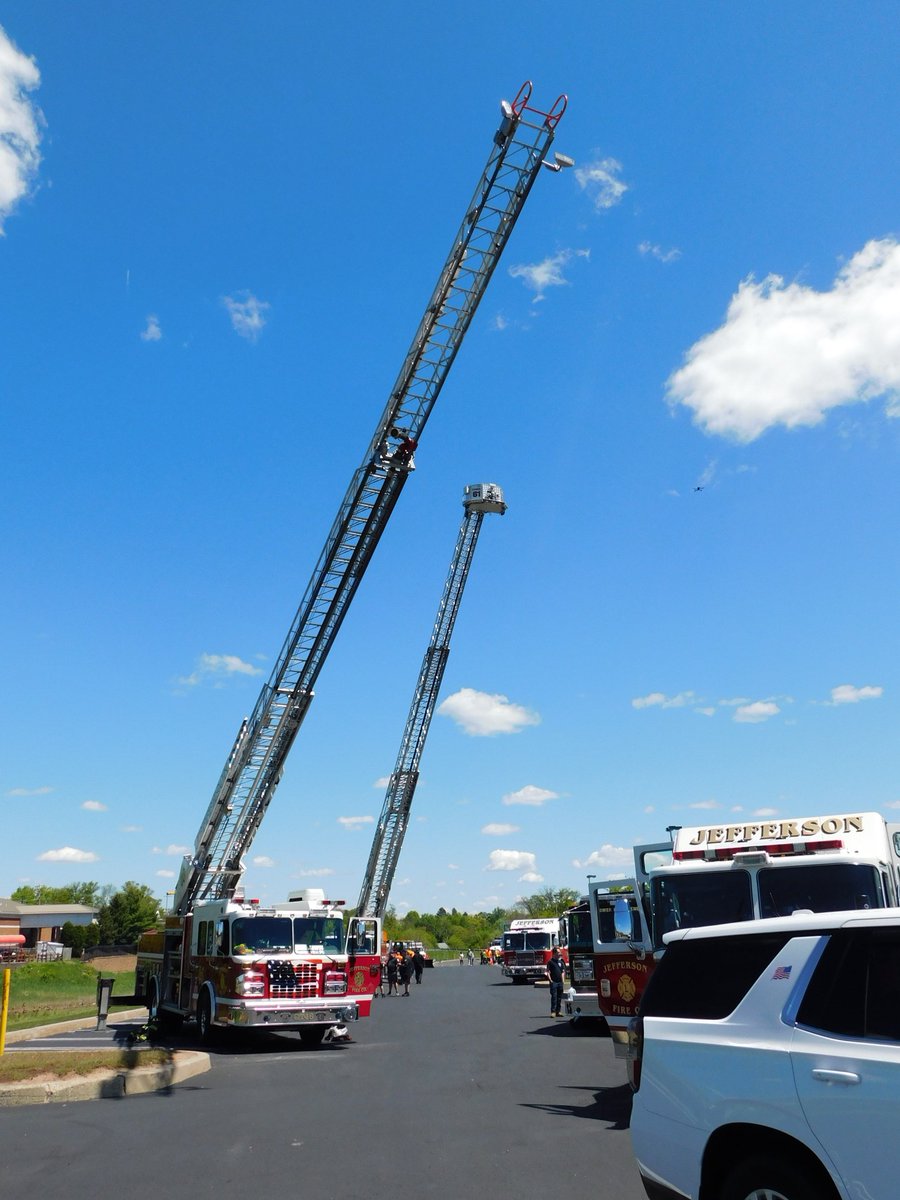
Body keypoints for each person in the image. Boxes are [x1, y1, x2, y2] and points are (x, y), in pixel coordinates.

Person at [547, 946, 566, 1018]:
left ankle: (559, 1011)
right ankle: (553, 1012)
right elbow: (548, 972)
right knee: (554, 997)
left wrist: (563, 980)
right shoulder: (550, 962)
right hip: (554, 982)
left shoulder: (561, 962)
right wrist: (550, 980)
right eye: (558, 952)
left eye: (560, 952)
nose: (560, 954)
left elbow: (563, 972)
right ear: (554, 953)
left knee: (559, 997)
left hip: (560, 982)